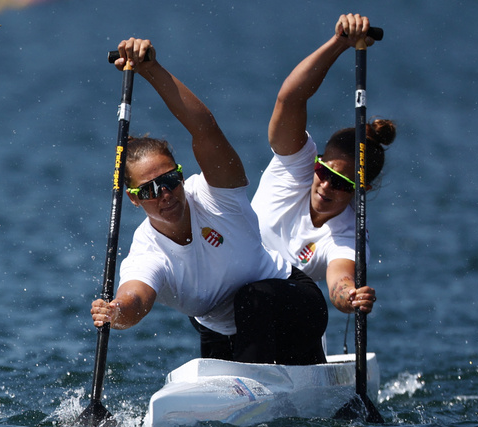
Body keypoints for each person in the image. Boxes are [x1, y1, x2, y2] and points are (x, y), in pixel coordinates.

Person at [91, 38, 328, 366]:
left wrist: (151, 70)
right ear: (132, 199)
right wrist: (115, 312)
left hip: (293, 304)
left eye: (170, 180)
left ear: (181, 175)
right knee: (215, 327)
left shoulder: (217, 196)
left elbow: (204, 128)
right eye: (149, 190)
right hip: (220, 330)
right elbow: (135, 299)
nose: (165, 194)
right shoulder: (148, 252)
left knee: (250, 299)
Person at [251, 14, 396, 319]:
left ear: (362, 190)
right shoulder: (296, 165)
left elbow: (338, 282)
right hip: (230, 293)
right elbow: (290, 99)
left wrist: (350, 296)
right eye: (325, 172)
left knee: (271, 298)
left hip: (281, 312)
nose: (327, 185)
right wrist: (339, 43)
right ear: (316, 163)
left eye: (343, 183)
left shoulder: (347, 234)